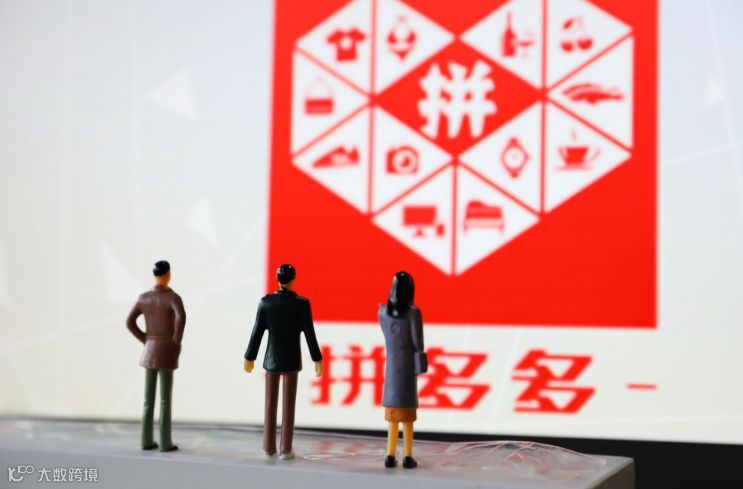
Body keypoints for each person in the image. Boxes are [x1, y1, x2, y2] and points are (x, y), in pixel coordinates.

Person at [244, 264, 323, 460]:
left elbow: (256, 333)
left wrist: (250, 356)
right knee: (289, 407)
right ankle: (285, 449)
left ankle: (268, 447)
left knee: (269, 406)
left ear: (277, 279)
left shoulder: (266, 303)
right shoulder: (301, 304)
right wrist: (317, 358)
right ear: (293, 279)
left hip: (271, 359)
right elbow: (310, 334)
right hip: (291, 359)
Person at [126, 260, 186, 452]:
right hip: (166, 350)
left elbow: (129, 322)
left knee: (147, 400)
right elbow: (181, 317)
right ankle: (165, 442)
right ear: (168, 275)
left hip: (149, 350)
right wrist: (176, 340)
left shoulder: (144, 298)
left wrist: (146, 339)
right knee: (165, 400)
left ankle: (146, 440)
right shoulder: (173, 298)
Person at [379, 271, 427, 469]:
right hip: (407, 368)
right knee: (407, 417)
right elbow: (418, 343)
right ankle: (408, 455)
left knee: (392, 416)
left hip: (391, 368)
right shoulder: (414, 313)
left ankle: (390, 455)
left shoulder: (383, 313)